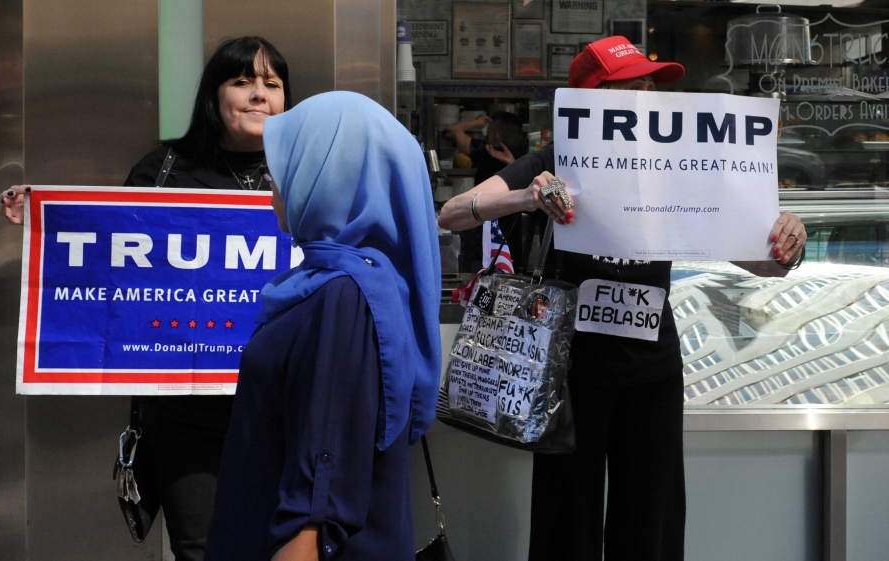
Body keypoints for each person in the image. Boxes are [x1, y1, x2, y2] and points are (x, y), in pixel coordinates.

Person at [437, 36, 807, 561]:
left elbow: (762, 262)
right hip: (568, 372)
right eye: (632, 88)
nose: (649, 99)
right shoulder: (560, 155)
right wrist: (529, 196)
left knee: (651, 528)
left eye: (652, 87)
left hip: (651, 369)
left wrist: (787, 243)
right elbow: (451, 213)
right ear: (593, 101)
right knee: (566, 528)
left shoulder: (679, 162)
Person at [0, 36, 291, 561]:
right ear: (214, 95)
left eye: (271, 84)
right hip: (185, 418)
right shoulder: (164, 169)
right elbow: (111, 259)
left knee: (283, 548)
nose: (258, 95)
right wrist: (48, 216)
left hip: (286, 406)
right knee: (202, 550)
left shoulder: (310, 174)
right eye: (242, 81)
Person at [203, 91, 441, 560]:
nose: (273, 179)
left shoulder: (343, 298)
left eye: (290, 160)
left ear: (332, 175)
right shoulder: (339, 284)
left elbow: (317, 503)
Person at [447, 111, 531, 271]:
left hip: (483, 220)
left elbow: (454, 130)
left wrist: (476, 123)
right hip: (511, 225)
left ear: (497, 134)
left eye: (490, 129)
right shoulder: (527, 153)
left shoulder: (486, 150)